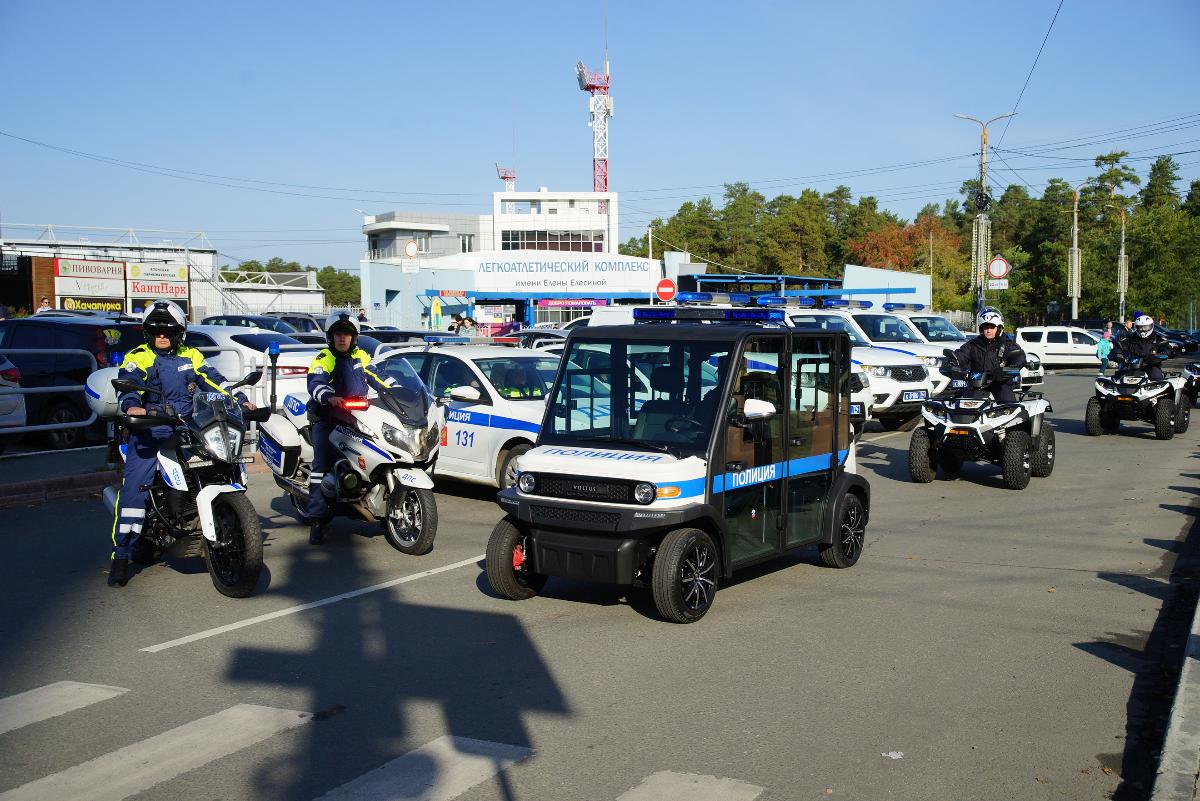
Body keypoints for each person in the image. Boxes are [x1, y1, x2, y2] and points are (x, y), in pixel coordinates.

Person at [108, 300, 254, 587]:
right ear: (148, 332)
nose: (162, 335)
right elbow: (129, 384)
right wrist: (133, 406)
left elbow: (214, 381)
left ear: (179, 332)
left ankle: (218, 516)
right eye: (156, 330)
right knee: (136, 489)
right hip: (151, 428)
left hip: (190, 425)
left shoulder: (192, 355)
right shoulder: (138, 357)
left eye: (169, 330)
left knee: (223, 461)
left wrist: (238, 399)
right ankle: (121, 556)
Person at [305, 311, 397, 545]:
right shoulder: (324, 358)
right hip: (327, 417)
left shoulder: (360, 357)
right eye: (338, 333)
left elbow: (379, 377)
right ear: (331, 336)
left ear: (354, 337)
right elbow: (316, 383)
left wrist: (398, 390)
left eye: (347, 334)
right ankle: (317, 518)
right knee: (321, 463)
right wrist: (328, 397)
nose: (342, 338)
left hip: (356, 417)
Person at [951, 307, 1026, 403]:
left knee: (1009, 406)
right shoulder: (973, 344)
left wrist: (1011, 368)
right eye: (986, 327)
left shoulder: (1008, 344)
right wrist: (952, 361)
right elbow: (961, 355)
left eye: (992, 327)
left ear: (999, 328)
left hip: (1000, 384)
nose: (988, 330)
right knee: (961, 406)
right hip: (976, 384)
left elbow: (1019, 357)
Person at [1111, 312, 1170, 380]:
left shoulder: (1157, 337)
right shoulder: (1130, 337)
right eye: (1140, 327)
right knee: (1117, 378)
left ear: (1151, 326)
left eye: (1145, 327)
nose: (1143, 330)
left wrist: (1160, 355)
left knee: (1157, 377)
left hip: (1151, 365)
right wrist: (1118, 354)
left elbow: (1168, 349)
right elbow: (1120, 347)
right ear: (1136, 327)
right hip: (1131, 365)